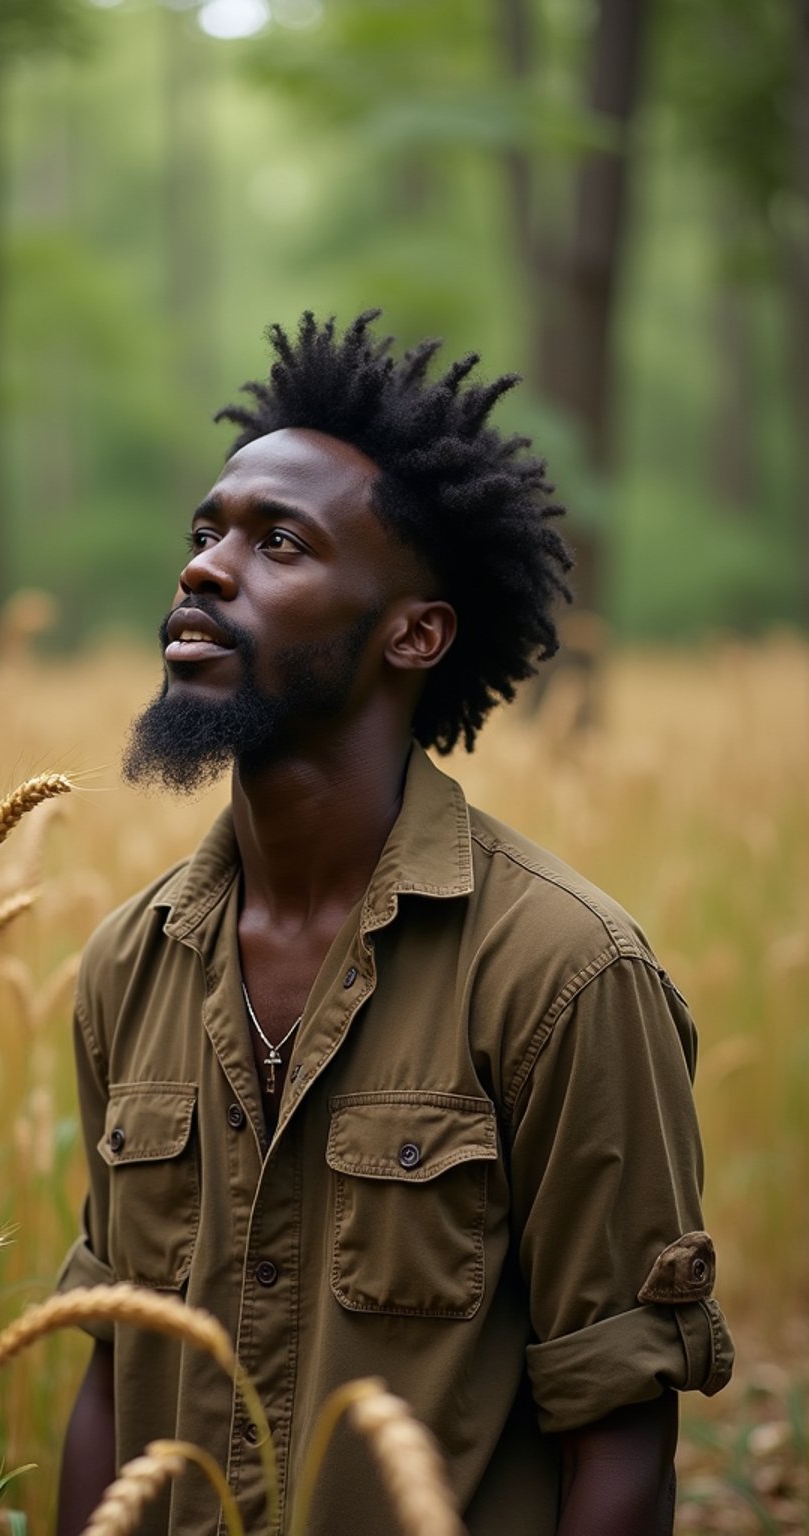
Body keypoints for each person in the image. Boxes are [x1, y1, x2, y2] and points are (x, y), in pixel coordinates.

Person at [55, 311, 732, 1536]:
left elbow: (618, 1440)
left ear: (412, 634)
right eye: (204, 533)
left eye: (279, 542)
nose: (205, 568)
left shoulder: (567, 977)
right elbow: (108, 1377)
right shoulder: (126, 968)